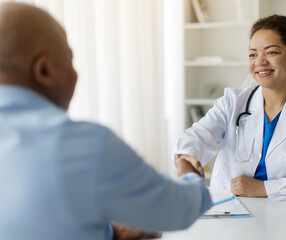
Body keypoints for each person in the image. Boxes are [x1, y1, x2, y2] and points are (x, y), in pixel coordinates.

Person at [0, 2, 212, 240]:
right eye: (70, 61)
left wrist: (112, 233)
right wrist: (188, 174)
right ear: (44, 71)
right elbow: (177, 210)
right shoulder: (81, 145)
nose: (76, 74)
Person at [173, 15, 286, 202]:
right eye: (252, 54)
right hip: (229, 213)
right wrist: (188, 155)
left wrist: (264, 188)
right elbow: (199, 135)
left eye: (271, 52)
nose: (260, 61)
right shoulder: (232, 102)